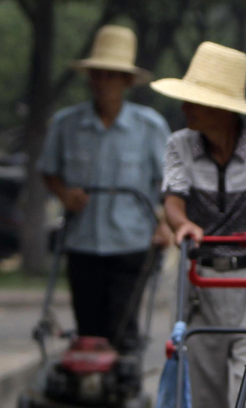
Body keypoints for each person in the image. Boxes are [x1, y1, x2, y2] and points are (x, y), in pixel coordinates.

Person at [154, 41, 246, 408]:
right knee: (204, 396)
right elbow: (174, 201)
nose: (185, 107)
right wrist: (183, 225)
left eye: (196, 100)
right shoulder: (180, 144)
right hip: (202, 278)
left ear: (223, 108)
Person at [39, 25, 170, 350]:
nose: (102, 83)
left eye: (111, 76)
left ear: (126, 81)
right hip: (82, 241)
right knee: (89, 328)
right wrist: (64, 193)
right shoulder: (66, 124)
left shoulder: (149, 126)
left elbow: (169, 182)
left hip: (132, 243)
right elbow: (49, 172)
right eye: (97, 75)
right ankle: (90, 386)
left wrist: (165, 222)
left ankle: (121, 386)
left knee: (122, 325)